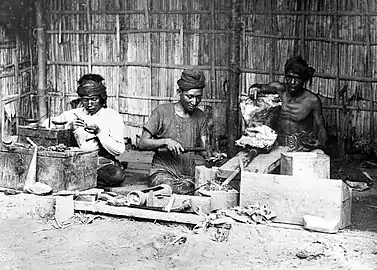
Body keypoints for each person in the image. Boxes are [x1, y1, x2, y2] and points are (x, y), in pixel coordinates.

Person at [44, 73, 126, 187]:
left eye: (94, 99)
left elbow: (119, 150)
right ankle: (82, 178)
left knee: (117, 175)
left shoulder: (112, 116)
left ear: (101, 98)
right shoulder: (74, 114)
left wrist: (99, 133)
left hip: (98, 163)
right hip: (73, 160)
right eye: (85, 100)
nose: (90, 104)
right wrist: (68, 126)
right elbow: (46, 125)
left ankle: (76, 178)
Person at [138, 69, 210, 194]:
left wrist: (211, 155)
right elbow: (142, 143)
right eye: (190, 96)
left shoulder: (200, 116)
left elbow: (205, 150)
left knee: (196, 189)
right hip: (162, 173)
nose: (194, 102)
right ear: (179, 92)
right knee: (170, 189)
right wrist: (166, 141)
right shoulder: (162, 111)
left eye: (198, 97)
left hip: (188, 177)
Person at [248, 55, 328, 151]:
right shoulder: (279, 89)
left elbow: (320, 126)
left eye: (297, 78)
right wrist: (253, 89)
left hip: (302, 148)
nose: (293, 82)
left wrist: (320, 146)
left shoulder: (312, 100)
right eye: (290, 77)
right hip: (278, 146)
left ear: (304, 80)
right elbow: (258, 87)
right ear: (285, 76)